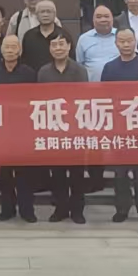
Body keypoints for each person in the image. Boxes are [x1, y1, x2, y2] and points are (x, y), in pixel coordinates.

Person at [101, 27, 138, 224]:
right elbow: (105, 98)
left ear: (135, 41)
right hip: (119, 127)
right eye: (122, 41)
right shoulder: (110, 68)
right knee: (120, 173)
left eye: (129, 40)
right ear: (116, 43)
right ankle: (122, 209)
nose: (126, 44)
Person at [0, 32, 38, 222]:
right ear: (1, 50)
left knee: (25, 173)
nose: (10, 50)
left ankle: (27, 209)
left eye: (14, 47)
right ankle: (7, 209)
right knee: (4, 173)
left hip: (23, 129)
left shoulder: (29, 73)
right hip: (1, 130)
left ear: (20, 50)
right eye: (6, 46)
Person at [37, 30, 89, 223]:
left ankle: (77, 210)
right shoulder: (43, 72)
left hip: (75, 128)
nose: (58, 48)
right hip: (54, 128)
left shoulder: (80, 70)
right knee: (57, 173)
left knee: (77, 173)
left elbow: (83, 100)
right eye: (54, 45)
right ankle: (60, 208)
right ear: (49, 49)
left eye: (61, 44)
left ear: (69, 46)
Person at [21, 0, 65, 71]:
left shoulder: (63, 35)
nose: (45, 15)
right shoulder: (28, 36)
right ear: (36, 15)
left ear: (55, 14)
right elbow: (24, 61)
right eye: (42, 12)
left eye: (48, 11)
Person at [76, 5, 118, 82]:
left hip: (119, 85)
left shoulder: (122, 36)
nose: (103, 19)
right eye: (99, 17)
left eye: (106, 16)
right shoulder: (84, 39)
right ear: (93, 20)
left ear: (112, 18)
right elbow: (79, 65)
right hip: (92, 86)